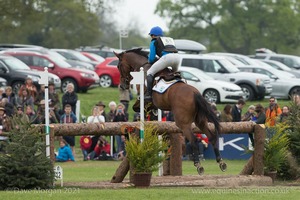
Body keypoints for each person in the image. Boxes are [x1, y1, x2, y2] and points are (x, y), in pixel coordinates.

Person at [145, 26, 180, 100]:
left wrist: (150, 61)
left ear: (153, 35)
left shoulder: (154, 41)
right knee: (175, 74)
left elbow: (151, 58)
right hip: (177, 57)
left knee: (149, 72)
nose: (151, 37)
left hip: (167, 58)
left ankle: (149, 94)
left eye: (151, 35)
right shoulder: (169, 39)